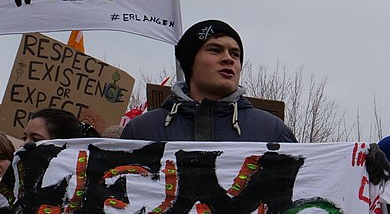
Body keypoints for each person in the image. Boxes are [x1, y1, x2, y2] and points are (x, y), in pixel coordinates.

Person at [121, 19, 297, 143]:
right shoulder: (142, 131)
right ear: (190, 63)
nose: (228, 59)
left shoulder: (273, 132)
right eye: (215, 50)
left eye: (235, 54)